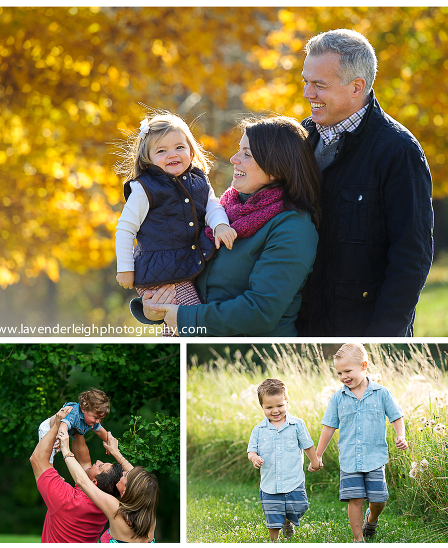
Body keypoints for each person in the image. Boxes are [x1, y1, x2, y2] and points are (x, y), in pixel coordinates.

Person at [296, 29, 434, 336]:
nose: (307, 93)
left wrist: (382, 338)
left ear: (357, 86)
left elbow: (412, 258)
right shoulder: (298, 141)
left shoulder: (399, 152)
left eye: (319, 85)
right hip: (301, 331)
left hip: (365, 330)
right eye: (305, 81)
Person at [134, 116, 320, 336]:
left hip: (251, 357)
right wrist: (153, 307)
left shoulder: (293, 228)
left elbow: (260, 313)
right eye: (238, 150)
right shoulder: (222, 210)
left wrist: (184, 318)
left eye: (247, 154)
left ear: (277, 166)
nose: (234, 159)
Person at [115, 110, 236, 335]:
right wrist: (125, 269)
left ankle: (179, 361)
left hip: (182, 265)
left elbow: (212, 205)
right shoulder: (145, 189)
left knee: (178, 324)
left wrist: (220, 225)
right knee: (191, 320)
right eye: (162, 151)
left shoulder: (198, 180)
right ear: (147, 159)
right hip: (159, 273)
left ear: (191, 150)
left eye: (179, 147)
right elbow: (125, 229)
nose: (173, 154)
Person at [310, 343, 408, 541]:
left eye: (348, 371)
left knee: (379, 499)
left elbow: (396, 416)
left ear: (364, 366)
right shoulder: (338, 398)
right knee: (355, 499)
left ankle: (371, 520)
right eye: (339, 373)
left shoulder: (382, 393)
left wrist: (401, 435)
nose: (343, 377)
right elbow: (328, 427)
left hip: (375, 457)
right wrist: (318, 454)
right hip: (350, 459)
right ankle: (358, 539)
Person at [30, 406, 125, 543]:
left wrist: (58, 424)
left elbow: (37, 459)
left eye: (99, 466)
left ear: (94, 482)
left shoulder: (68, 500)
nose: (97, 461)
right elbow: (84, 460)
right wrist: (78, 422)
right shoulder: (106, 504)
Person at [247, 379, 321, 541]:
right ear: (262, 407)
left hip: (293, 481)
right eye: (269, 407)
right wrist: (255, 458)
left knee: (299, 508)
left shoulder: (297, 425)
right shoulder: (259, 430)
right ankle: (275, 540)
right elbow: (251, 450)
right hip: (270, 484)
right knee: (273, 517)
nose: (275, 411)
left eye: (280, 405)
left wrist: (314, 461)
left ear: (287, 402)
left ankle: (287, 522)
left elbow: (307, 445)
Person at [57, 428, 158, 543]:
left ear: (125, 492)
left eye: (124, 476)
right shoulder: (148, 510)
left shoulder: (116, 509)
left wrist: (65, 449)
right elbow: (137, 478)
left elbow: (82, 481)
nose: (123, 472)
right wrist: (115, 451)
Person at [37, 388, 110, 463]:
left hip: (60, 434)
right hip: (49, 429)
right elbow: (63, 425)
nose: (98, 421)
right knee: (47, 458)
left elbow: (101, 431)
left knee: (51, 455)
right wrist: (60, 437)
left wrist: (109, 443)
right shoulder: (73, 413)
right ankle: (48, 473)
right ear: (83, 408)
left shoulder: (92, 421)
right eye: (96, 417)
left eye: (100, 419)